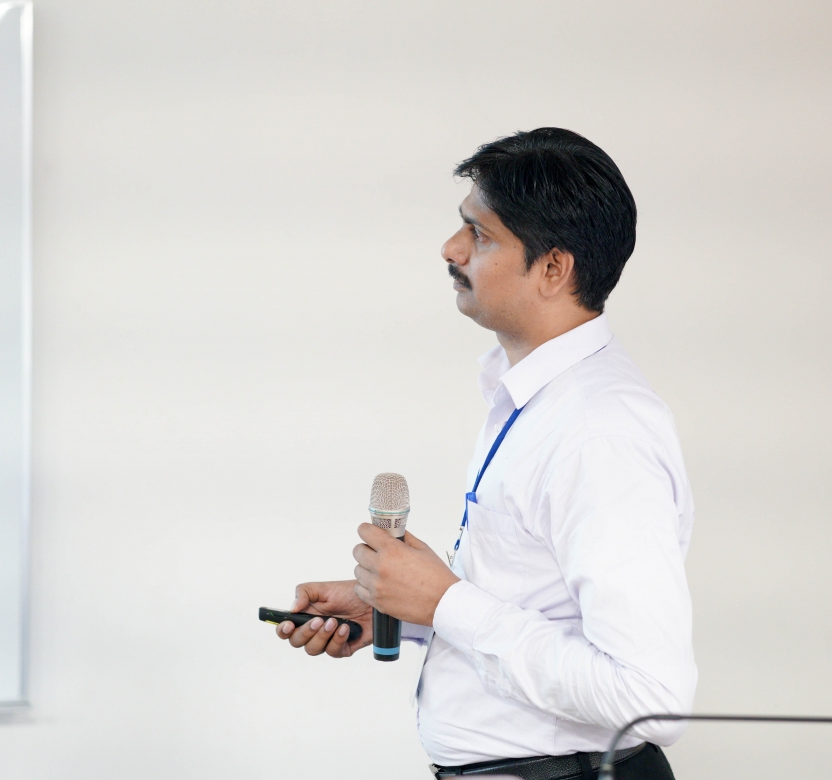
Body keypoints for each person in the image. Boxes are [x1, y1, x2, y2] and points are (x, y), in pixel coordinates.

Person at [273, 128, 697, 780]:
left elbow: (649, 698)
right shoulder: (533, 399)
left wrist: (445, 602)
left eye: (481, 234)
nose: (451, 248)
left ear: (553, 269)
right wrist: (402, 609)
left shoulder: (599, 431)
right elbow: (534, 604)